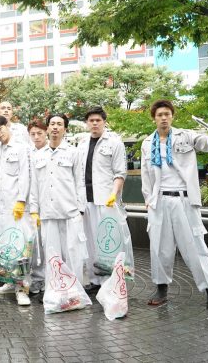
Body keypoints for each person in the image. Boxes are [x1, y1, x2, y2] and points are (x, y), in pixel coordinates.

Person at [141, 99, 208, 312]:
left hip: (184, 200)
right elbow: (146, 176)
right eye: (159, 115)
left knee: (196, 247)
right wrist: (148, 200)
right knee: (160, 248)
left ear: (172, 116)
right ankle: (161, 289)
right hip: (159, 201)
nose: (164, 118)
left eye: (167, 114)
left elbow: (206, 142)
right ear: (154, 118)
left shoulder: (186, 136)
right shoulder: (148, 143)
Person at [29, 113, 87, 286]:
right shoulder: (38, 155)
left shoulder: (73, 153)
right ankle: (53, 291)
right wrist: (34, 211)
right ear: (47, 128)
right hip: (48, 213)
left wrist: (80, 210)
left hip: (70, 212)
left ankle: (74, 291)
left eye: (59, 124)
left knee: (73, 254)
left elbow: (80, 182)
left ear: (65, 129)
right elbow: (34, 186)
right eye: (52, 124)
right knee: (52, 255)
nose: (55, 127)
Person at [78, 107, 128, 292]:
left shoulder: (114, 142)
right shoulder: (82, 144)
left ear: (104, 121)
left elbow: (120, 172)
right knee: (90, 242)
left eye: (98, 120)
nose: (94, 123)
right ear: (87, 123)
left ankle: (110, 281)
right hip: (86, 201)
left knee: (107, 243)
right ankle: (94, 280)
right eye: (91, 120)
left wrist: (113, 194)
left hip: (105, 200)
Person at [0, 115, 32, 306]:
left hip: (16, 208)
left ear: (7, 126)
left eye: (0, 129)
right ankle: (7, 281)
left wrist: (21, 200)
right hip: (1, 207)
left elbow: (25, 175)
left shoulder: (22, 147)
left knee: (21, 248)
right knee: (5, 248)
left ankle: (22, 289)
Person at [27, 119, 48, 299]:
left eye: (39, 133)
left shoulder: (52, 151)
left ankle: (49, 280)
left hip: (51, 206)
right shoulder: (28, 153)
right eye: (32, 134)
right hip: (32, 206)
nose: (36, 137)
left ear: (46, 132)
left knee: (50, 245)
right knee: (35, 245)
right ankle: (36, 280)